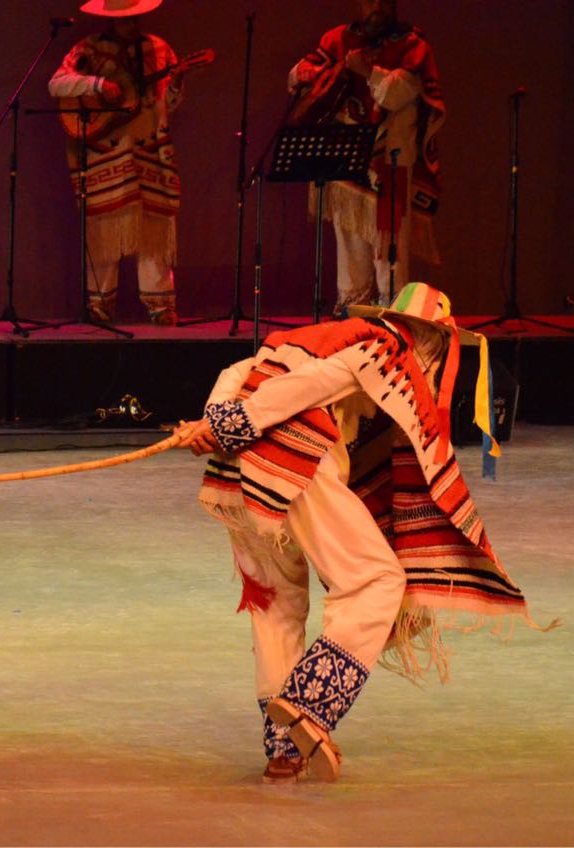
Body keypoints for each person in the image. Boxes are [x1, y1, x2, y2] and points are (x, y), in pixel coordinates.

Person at [177, 282, 544, 784]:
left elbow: (235, 373)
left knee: (275, 605)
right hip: (294, 464)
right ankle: (309, 705)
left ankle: (284, 749)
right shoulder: (384, 347)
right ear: (432, 338)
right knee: (378, 581)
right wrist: (236, 422)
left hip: (237, 478)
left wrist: (214, 421)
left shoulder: (318, 335)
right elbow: (311, 387)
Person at [289, 0, 444, 312]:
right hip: (345, 162)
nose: (376, 7)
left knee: (390, 252)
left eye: (383, 1)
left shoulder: (413, 45)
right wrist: (330, 71)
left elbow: (394, 95)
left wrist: (367, 71)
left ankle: (393, 322)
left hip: (391, 162)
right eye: (369, 1)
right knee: (350, 251)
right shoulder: (337, 39)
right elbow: (295, 77)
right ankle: (353, 317)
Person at [48, 0, 192, 326]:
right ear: (111, 18)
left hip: (149, 146)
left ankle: (160, 306)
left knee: (154, 226)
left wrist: (178, 83)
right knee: (105, 230)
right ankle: (99, 304)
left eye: (136, 16)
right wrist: (98, 85)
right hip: (106, 149)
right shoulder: (90, 48)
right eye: (126, 17)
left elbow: (168, 102)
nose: (133, 22)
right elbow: (57, 83)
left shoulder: (159, 49)